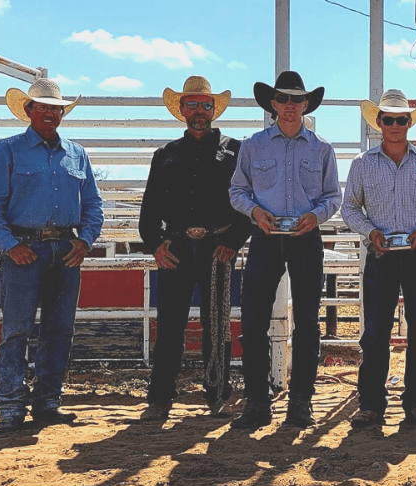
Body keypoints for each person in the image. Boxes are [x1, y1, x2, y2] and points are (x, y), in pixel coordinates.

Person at [0, 78, 103, 432]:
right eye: (43, 107)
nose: (50, 113)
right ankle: (11, 405)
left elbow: (93, 204)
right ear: (29, 110)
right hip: (23, 249)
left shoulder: (77, 154)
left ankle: (48, 401)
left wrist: (85, 240)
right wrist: (11, 246)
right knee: (16, 329)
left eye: (56, 108)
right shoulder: (8, 150)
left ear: (62, 113)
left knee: (59, 329)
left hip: (66, 249)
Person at [228, 71, 341, 429]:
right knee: (253, 320)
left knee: (307, 322)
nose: (290, 106)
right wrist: (255, 212)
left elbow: (333, 196)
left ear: (305, 104)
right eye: (284, 99)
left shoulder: (322, 149)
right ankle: (257, 401)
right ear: (273, 104)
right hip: (265, 236)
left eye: (296, 99)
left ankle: (300, 402)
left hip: (306, 237)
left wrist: (315, 216)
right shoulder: (253, 146)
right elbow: (237, 191)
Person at [138, 76, 252, 422]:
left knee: (215, 323)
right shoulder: (165, 155)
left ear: (214, 110)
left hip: (219, 246)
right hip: (176, 247)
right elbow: (149, 209)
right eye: (192, 104)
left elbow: (249, 200)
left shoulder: (237, 151)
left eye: (205, 105)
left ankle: (217, 392)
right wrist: (156, 244)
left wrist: (234, 240)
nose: (199, 111)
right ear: (182, 110)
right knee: (169, 324)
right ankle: (160, 397)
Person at [339, 89, 416, 428]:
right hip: (380, 253)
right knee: (375, 332)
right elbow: (349, 208)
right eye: (389, 119)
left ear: (409, 123)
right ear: (379, 123)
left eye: (402, 119)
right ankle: (371, 404)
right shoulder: (361, 164)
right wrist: (371, 232)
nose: (396, 125)